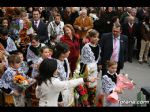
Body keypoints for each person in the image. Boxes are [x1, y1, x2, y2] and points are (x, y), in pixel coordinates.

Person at [78, 29, 101, 106]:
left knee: (93, 89)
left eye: (97, 37)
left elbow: (97, 60)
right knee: (85, 89)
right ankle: (85, 103)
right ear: (90, 37)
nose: (96, 39)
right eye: (94, 37)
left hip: (94, 70)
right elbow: (82, 61)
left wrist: (98, 68)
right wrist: (81, 73)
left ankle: (91, 102)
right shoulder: (86, 47)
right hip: (86, 70)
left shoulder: (98, 46)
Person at [52, 42, 73, 106]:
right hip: (58, 93)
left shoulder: (65, 59)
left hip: (65, 89)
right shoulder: (54, 63)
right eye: (67, 51)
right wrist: (59, 99)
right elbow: (55, 83)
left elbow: (67, 74)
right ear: (62, 53)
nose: (69, 52)